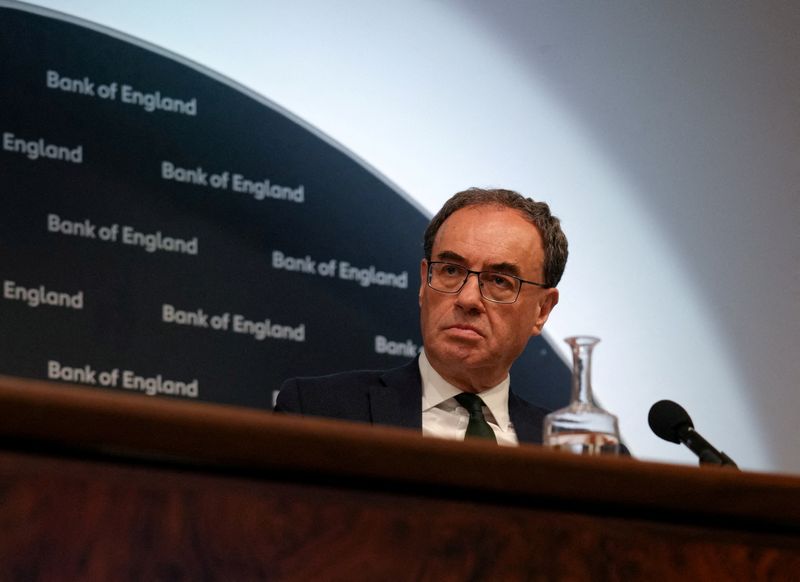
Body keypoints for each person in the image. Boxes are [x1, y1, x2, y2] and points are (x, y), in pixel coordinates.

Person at [274, 187, 566, 445]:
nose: (467, 299)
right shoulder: (316, 412)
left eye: (499, 281)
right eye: (450, 270)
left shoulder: (566, 448)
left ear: (541, 310)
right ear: (424, 282)